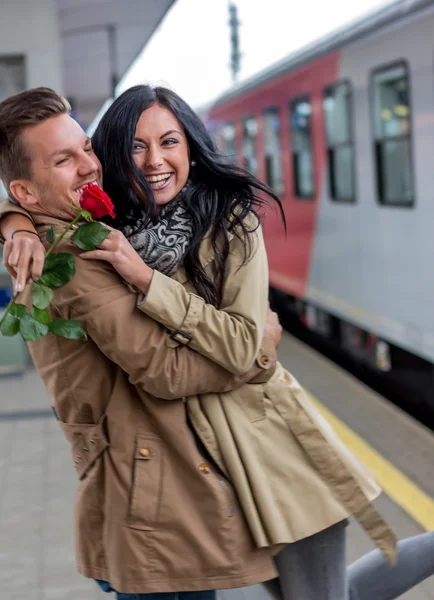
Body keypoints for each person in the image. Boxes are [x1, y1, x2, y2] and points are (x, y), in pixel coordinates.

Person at [1, 86, 432, 599]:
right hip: (208, 464)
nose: (154, 160)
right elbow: (178, 366)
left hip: (270, 445)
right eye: (136, 147)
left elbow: (231, 346)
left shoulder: (226, 223)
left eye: (169, 142)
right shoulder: (104, 226)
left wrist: (147, 281)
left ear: (190, 147)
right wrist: (14, 222)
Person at [0, 87, 282, 600]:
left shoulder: (96, 225)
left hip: (160, 493)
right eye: (64, 159)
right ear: (28, 192)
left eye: (86, 148)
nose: (89, 166)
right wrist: (255, 349)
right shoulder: (76, 258)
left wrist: (12, 221)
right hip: (150, 503)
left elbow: (26, 198)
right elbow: (167, 372)